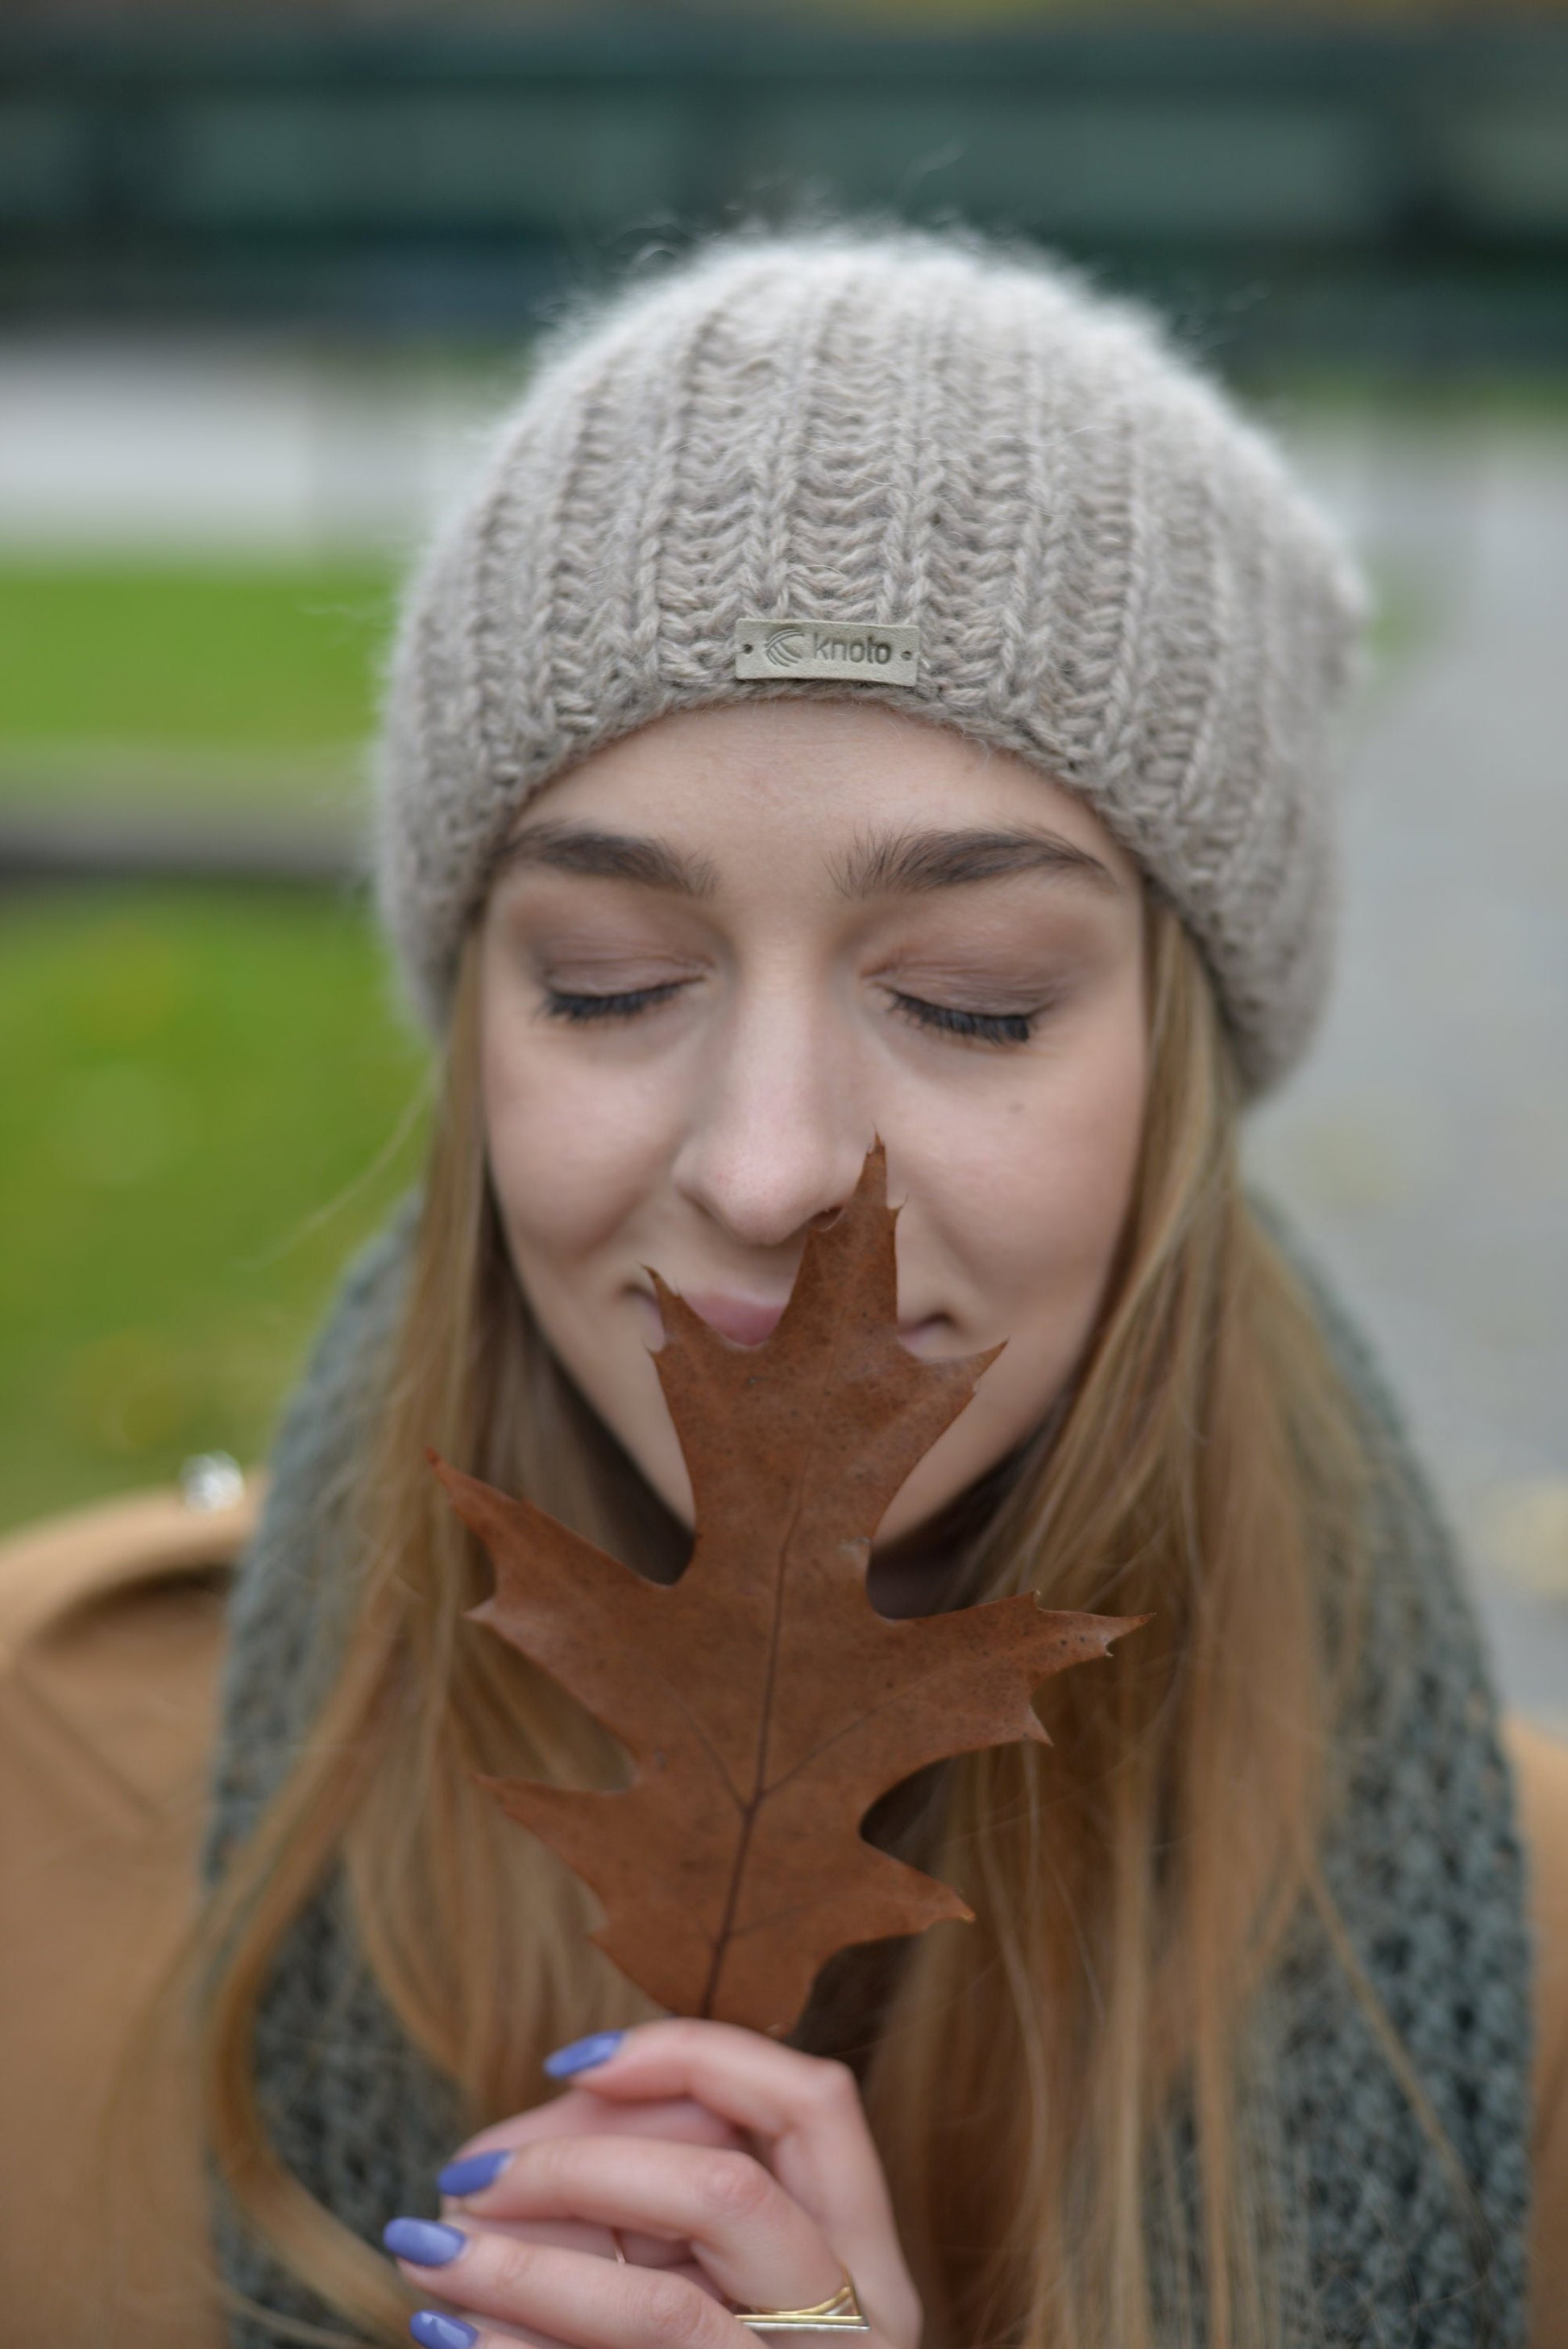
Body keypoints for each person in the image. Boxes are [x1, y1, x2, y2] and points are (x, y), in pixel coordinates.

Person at [2, 229, 1566, 2349]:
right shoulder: (45, 1801)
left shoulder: (1522, 1996)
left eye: (969, 1002)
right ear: (470, 1033)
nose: (764, 1169)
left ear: (1181, 1081)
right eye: (610, 984)